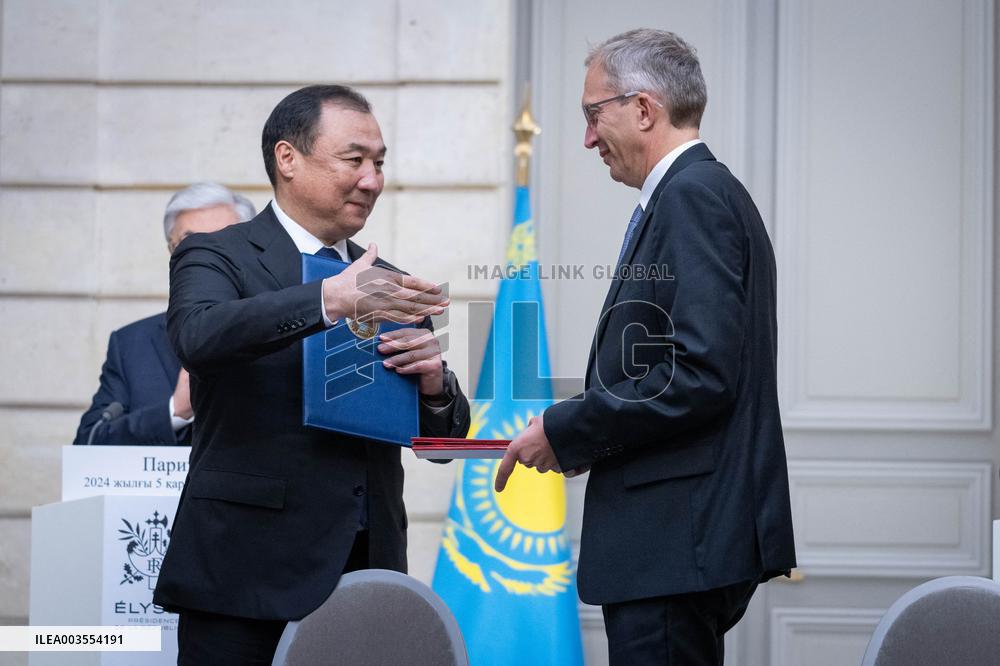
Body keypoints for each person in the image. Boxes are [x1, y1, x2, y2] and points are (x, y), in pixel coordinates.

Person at [495, 29, 796, 665]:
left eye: (591, 114)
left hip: (673, 542)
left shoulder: (691, 196)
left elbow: (697, 374)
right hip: (675, 541)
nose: (585, 137)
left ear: (643, 108)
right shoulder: (699, 194)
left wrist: (565, 426)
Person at [152, 85, 471, 665]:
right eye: (354, 160)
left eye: (379, 163)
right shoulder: (216, 254)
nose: (372, 179)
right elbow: (199, 337)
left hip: (364, 573)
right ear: (288, 158)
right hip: (243, 574)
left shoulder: (390, 282)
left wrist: (435, 384)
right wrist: (328, 299)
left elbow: (444, 447)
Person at [73, 183, 256, 446]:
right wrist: (174, 412)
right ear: (171, 253)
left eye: (220, 244)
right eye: (188, 246)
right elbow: (88, 445)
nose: (203, 260)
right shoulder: (131, 344)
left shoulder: (281, 328)